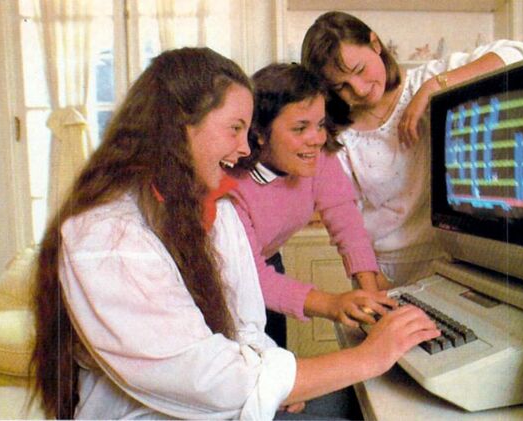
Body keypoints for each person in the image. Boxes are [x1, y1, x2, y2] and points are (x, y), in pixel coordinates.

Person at [31, 47, 440, 420]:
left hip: (219, 400)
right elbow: (204, 376)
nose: (244, 149)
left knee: (372, 404)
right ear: (177, 127)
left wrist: (275, 378)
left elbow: (245, 322)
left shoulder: (212, 210)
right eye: (234, 129)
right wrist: (368, 357)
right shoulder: (105, 235)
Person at [301, 11, 523, 284]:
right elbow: (347, 223)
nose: (358, 89)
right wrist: (373, 287)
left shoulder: (427, 79)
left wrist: (432, 88)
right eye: (341, 86)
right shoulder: (339, 135)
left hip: (455, 261)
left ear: (375, 44)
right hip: (382, 270)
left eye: (359, 70)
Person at [228, 63, 392, 348]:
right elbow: (252, 277)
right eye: (300, 127)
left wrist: (372, 299)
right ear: (259, 132)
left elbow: (347, 223)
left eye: (319, 125)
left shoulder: (320, 158)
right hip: (229, 277)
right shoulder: (231, 187)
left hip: (266, 262)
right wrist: (332, 304)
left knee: (276, 357)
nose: (316, 139)